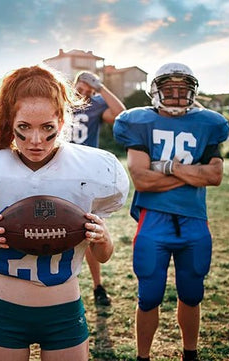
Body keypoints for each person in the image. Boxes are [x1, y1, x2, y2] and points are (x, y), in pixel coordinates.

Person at [0, 64, 129, 361]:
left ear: (62, 120)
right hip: (6, 311)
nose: (36, 141)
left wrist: (103, 238)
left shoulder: (87, 171)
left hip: (65, 313)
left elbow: (103, 255)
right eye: (24, 128)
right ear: (8, 121)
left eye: (47, 129)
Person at [113, 63, 229, 361]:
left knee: (192, 293)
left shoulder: (208, 123)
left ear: (192, 93)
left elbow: (215, 176)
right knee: (149, 295)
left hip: (194, 221)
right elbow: (141, 179)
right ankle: (143, 357)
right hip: (154, 220)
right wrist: (192, 174)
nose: (177, 96)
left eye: (182, 91)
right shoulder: (139, 122)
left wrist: (169, 168)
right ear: (156, 92)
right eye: (170, 90)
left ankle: (190, 355)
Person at [70, 70, 126, 306]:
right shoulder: (59, 100)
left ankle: (97, 285)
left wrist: (101, 88)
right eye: (80, 89)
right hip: (55, 169)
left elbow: (121, 115)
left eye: (88, 91)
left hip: (84, 171)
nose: (83, 94)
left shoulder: (96, 104)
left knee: (90, 229)